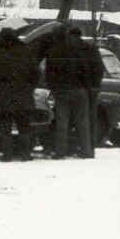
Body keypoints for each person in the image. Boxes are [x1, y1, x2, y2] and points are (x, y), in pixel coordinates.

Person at [0, 28, 41, 161]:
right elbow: (36, 73)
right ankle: (26, 154)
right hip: (23, 93)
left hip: (3, 93)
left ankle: (7, 155)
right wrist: (30, 88)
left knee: (4, 127)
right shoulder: (25, 51)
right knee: (24, 126)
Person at [44, 26, 93, 159]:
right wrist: (86, 86)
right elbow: (86, 70)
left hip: (62, 91)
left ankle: (60, 151)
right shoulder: (79, 50)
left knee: (62, 123)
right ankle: (86, 151)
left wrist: (53, 88)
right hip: (80, 90)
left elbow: (49, 74)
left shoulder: (54, 51)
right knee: (82, 122)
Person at [76, 27, 104, 157]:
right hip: (93, 87)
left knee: (82, 119)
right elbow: (99, 67)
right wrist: (96, 85)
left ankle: (84, 147)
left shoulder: (75, 50)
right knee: (91, 119)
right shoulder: (92, 48)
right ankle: (91, 147)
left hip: (82, 87)